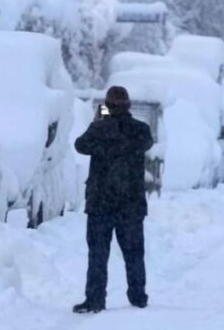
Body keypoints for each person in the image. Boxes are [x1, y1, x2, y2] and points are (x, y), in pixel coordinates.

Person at [73, 86, 154, 314]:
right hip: (131, 204)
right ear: (129, 106)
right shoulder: (140, 130)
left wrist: (101, 120)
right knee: (134, 253)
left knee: (98, 254)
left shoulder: (99, 129)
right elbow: (147, 143)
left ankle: (95, 299)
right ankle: (138, 297)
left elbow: (80, 145)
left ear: (106, 106)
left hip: (101, 204)